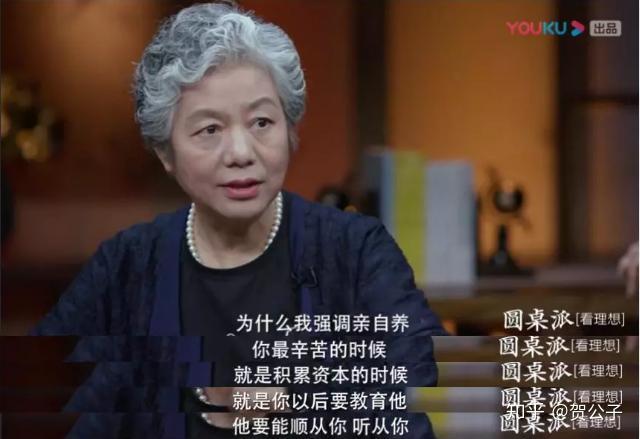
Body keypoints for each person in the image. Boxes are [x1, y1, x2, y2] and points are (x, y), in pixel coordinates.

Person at [31, 2, 446, 438]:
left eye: (262, 122)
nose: (241, 153)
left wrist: (293, 398)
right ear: (166, 153)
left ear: (290, 129)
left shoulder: (355, 251)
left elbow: (422, 383)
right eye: (209, 130)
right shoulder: (127, 265)